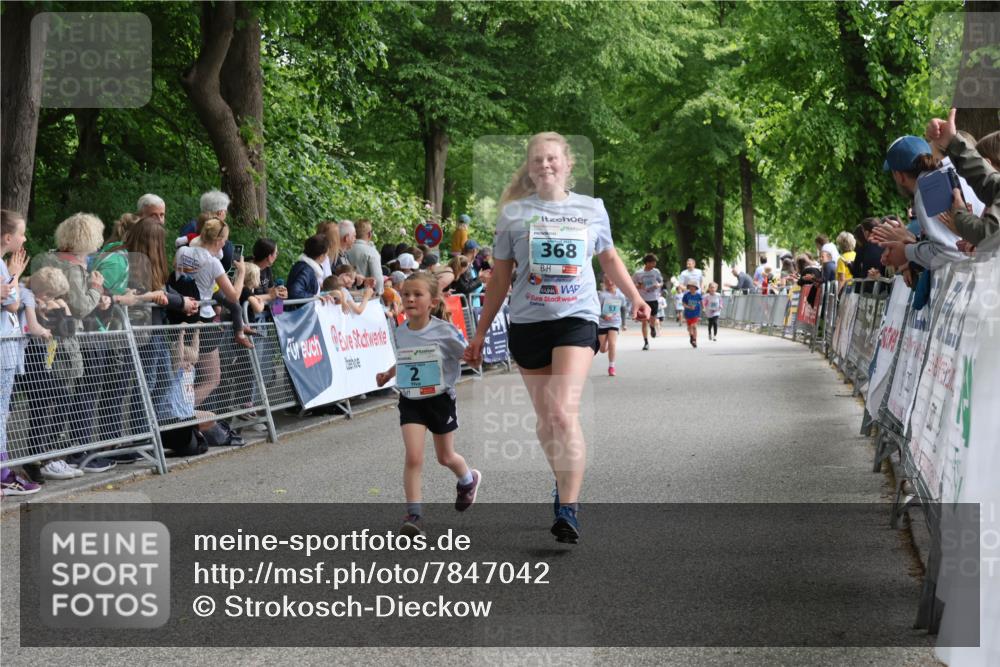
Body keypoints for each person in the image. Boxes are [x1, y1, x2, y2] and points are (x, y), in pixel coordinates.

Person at [463, 131, 649, 544]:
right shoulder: (513, 214)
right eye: (536, 161)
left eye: (552, 159)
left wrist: (635, 297)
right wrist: (478, 333)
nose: (544, 166)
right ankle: (562, 478)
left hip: (576, 318)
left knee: (563, 413)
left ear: (567, 164)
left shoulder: (591, 209)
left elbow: (609, 258)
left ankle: (568, 507)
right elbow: (500, 281)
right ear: (528, 169)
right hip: (529, 322)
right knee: (547, 420)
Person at [375, 272, 480, 537]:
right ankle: (414, 515)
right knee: (413, 457)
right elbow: (406, 360)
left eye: (417, 294)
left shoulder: (445, 332)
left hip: (440, 400)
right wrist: (389, 374)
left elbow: (469, 357)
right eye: (406, 294)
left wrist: (475, 357)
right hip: (411, 400)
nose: (409, 299)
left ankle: (468, 480)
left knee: (445, 457)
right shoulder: (400, 330)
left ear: (432, 302)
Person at [0, 210, 40, 495]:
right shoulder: (4, 265)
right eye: (22, 234)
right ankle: (3, 473)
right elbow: (12, 304)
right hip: (3, 348)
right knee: (1, 412)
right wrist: (15, 274)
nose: (25, 239)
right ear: (7, 237)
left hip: (9, 346)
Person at [632, 253, 663, 351]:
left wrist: (658, 285)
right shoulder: (638, 273)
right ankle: (646, 342)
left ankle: (652, 327)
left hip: (654, 298)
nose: (654, 264)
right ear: (647, 263)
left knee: (653, 318)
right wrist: (639, 286)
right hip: (643, 300)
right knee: (644, 321)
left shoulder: (656, 272)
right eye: (653, 262)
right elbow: (632, 284)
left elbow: (661, 282)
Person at [287, 234, 329, 303]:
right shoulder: (306, 270)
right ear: (321, 256)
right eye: (327, 254)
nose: (327, 257)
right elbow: (295, 292)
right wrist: (314, 297)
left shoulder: (305, 266)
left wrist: (323, 296)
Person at [347, 219, 384, 295]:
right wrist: (379, 293)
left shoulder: (345, 249)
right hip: (366, 296)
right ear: (369, 234)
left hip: (347, 294)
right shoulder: (371, 252)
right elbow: (377, 279)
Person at [597, 275, 624, 376]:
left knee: (613, 344)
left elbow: (623, 309)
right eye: (606, 280)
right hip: (603, 323)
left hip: (615, 322)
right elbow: (596, 309)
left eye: (611, 280)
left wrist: (624, 324)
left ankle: (611, 367)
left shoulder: (620, 295)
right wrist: (604, 316)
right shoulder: (602, 295)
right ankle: (606, 345)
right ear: (604, 282)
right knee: (602, 349)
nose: (609, 282)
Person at [682, 281, 702, 348]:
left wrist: (704, 309)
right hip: (688, 313)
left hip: (696, 313)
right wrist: (688, 307)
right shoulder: (686, 295)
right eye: (690, 287)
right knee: (689, 327)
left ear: (696, 288)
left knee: (694, 326)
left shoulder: (698, 295)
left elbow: (701, 302)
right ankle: (691, 337)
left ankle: (694, 340)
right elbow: (684, 304)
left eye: (693, 287)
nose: (691, 288)